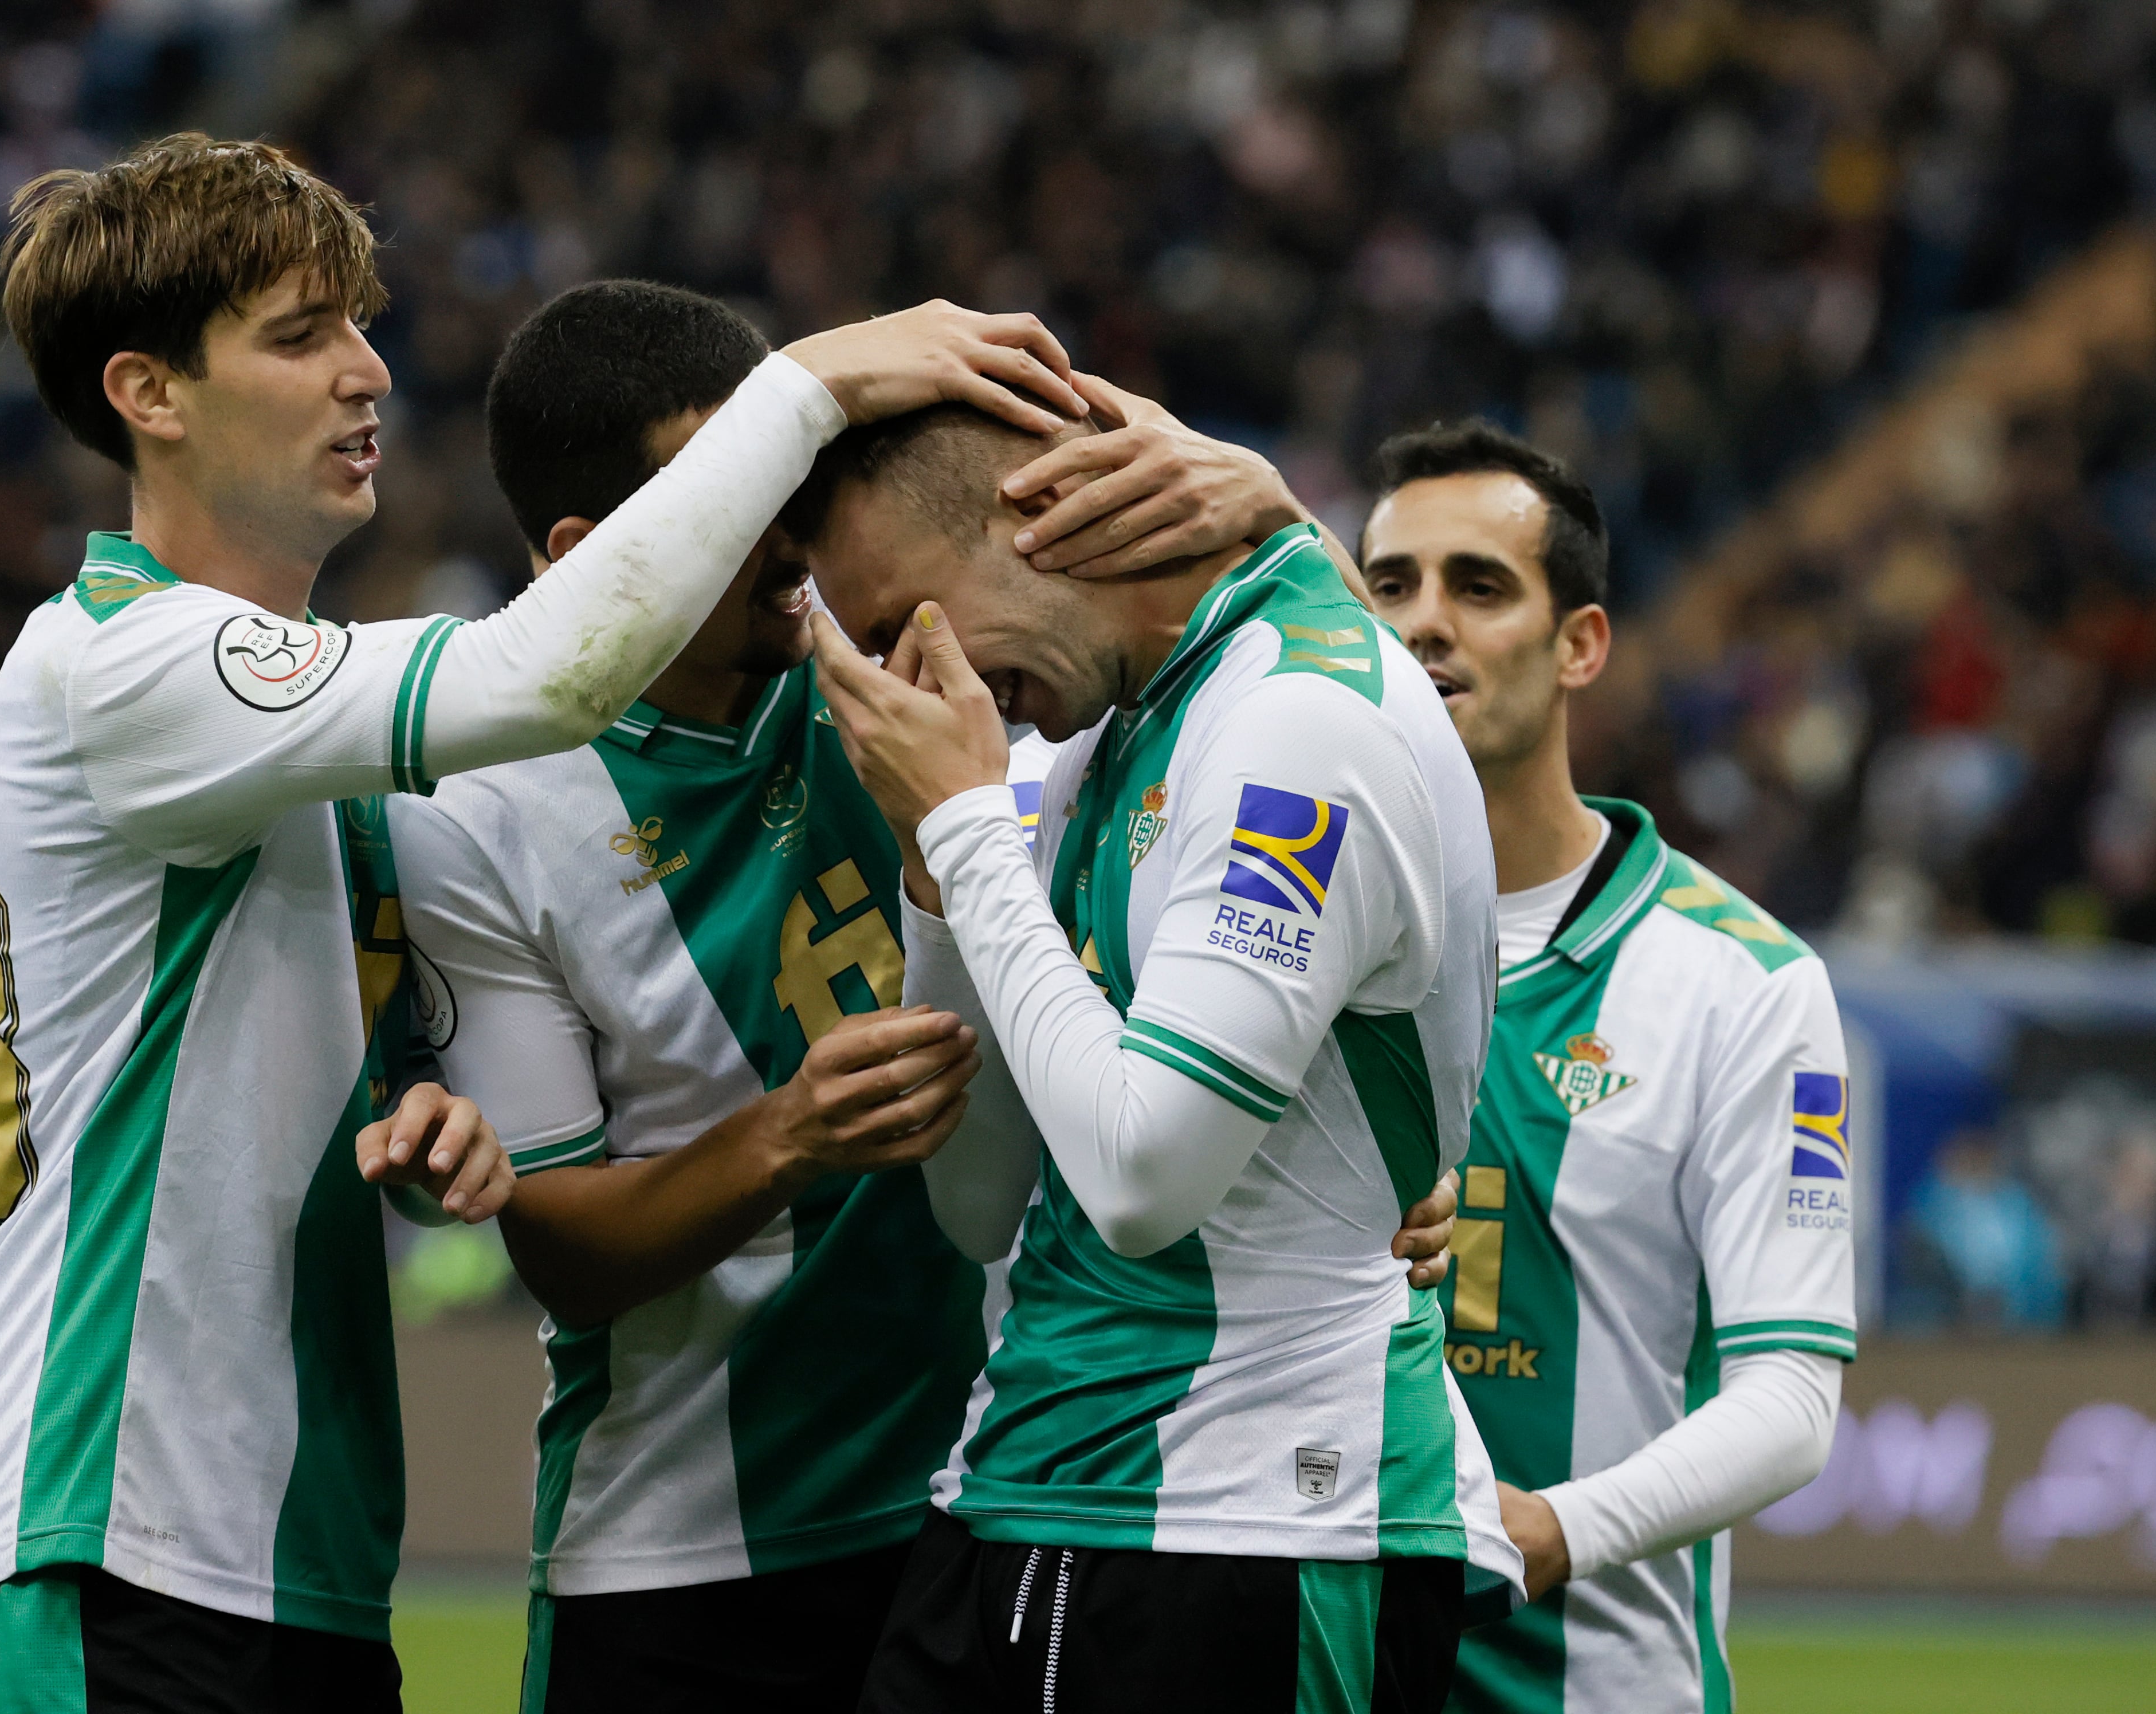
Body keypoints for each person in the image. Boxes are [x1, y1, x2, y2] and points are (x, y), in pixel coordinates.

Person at [0, 132, 1091, 1714]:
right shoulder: (116, 664)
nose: (367, 368)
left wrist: (429, 1118)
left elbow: (224, 1053)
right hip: (97, 1516)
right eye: (300, 332)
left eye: (359, 320)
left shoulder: (313, 732)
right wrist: (801, 387)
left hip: (277, 1538)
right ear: (150, 393)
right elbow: (547, 675)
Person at [391, 281, 1465, 1712]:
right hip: (679, 1537)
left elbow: (1295, 725)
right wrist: (783, 1138)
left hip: (978, 1487)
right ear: (600, 553)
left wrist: (1278, 520)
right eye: (732, 489)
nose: (788, 542)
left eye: (790, 473)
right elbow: (563, 1252)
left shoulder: (937, 695)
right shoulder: (480, 800)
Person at [798, 399, 1522, 1713]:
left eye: (911, 614)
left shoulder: (1302, 722)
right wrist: (936, 873)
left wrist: (966, 829)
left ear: (1041, 520)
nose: (912, 678)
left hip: (1252, 1518)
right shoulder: (1097, 738)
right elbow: (978, 1205)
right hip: (1028, 1477)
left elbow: (1142, 1180)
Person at [1356, 421, 1852, 1714]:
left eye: (1478, 586)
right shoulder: (1280, 941)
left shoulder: (1745, 982)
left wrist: (1550, 1528)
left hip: (1591, 1682)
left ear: (1580, 642)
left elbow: (1792, 1395)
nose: (1423, 626)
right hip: (1307, 1654)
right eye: (1389, 586)